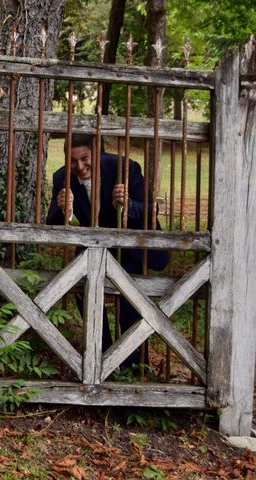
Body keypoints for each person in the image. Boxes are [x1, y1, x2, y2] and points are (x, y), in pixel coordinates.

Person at [46, 133, 169, 370]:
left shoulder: (125, 168)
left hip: (131, 247)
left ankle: (134, 366)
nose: (79, 167)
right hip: (93, 251)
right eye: (72, 161)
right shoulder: (62, 177)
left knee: (129, 302)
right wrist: (65, 211)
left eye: (85, 158)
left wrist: (127, 205)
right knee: (83, 291)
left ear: (98, 154)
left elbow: (149, 210)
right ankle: (102, 357)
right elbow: (51, 223)